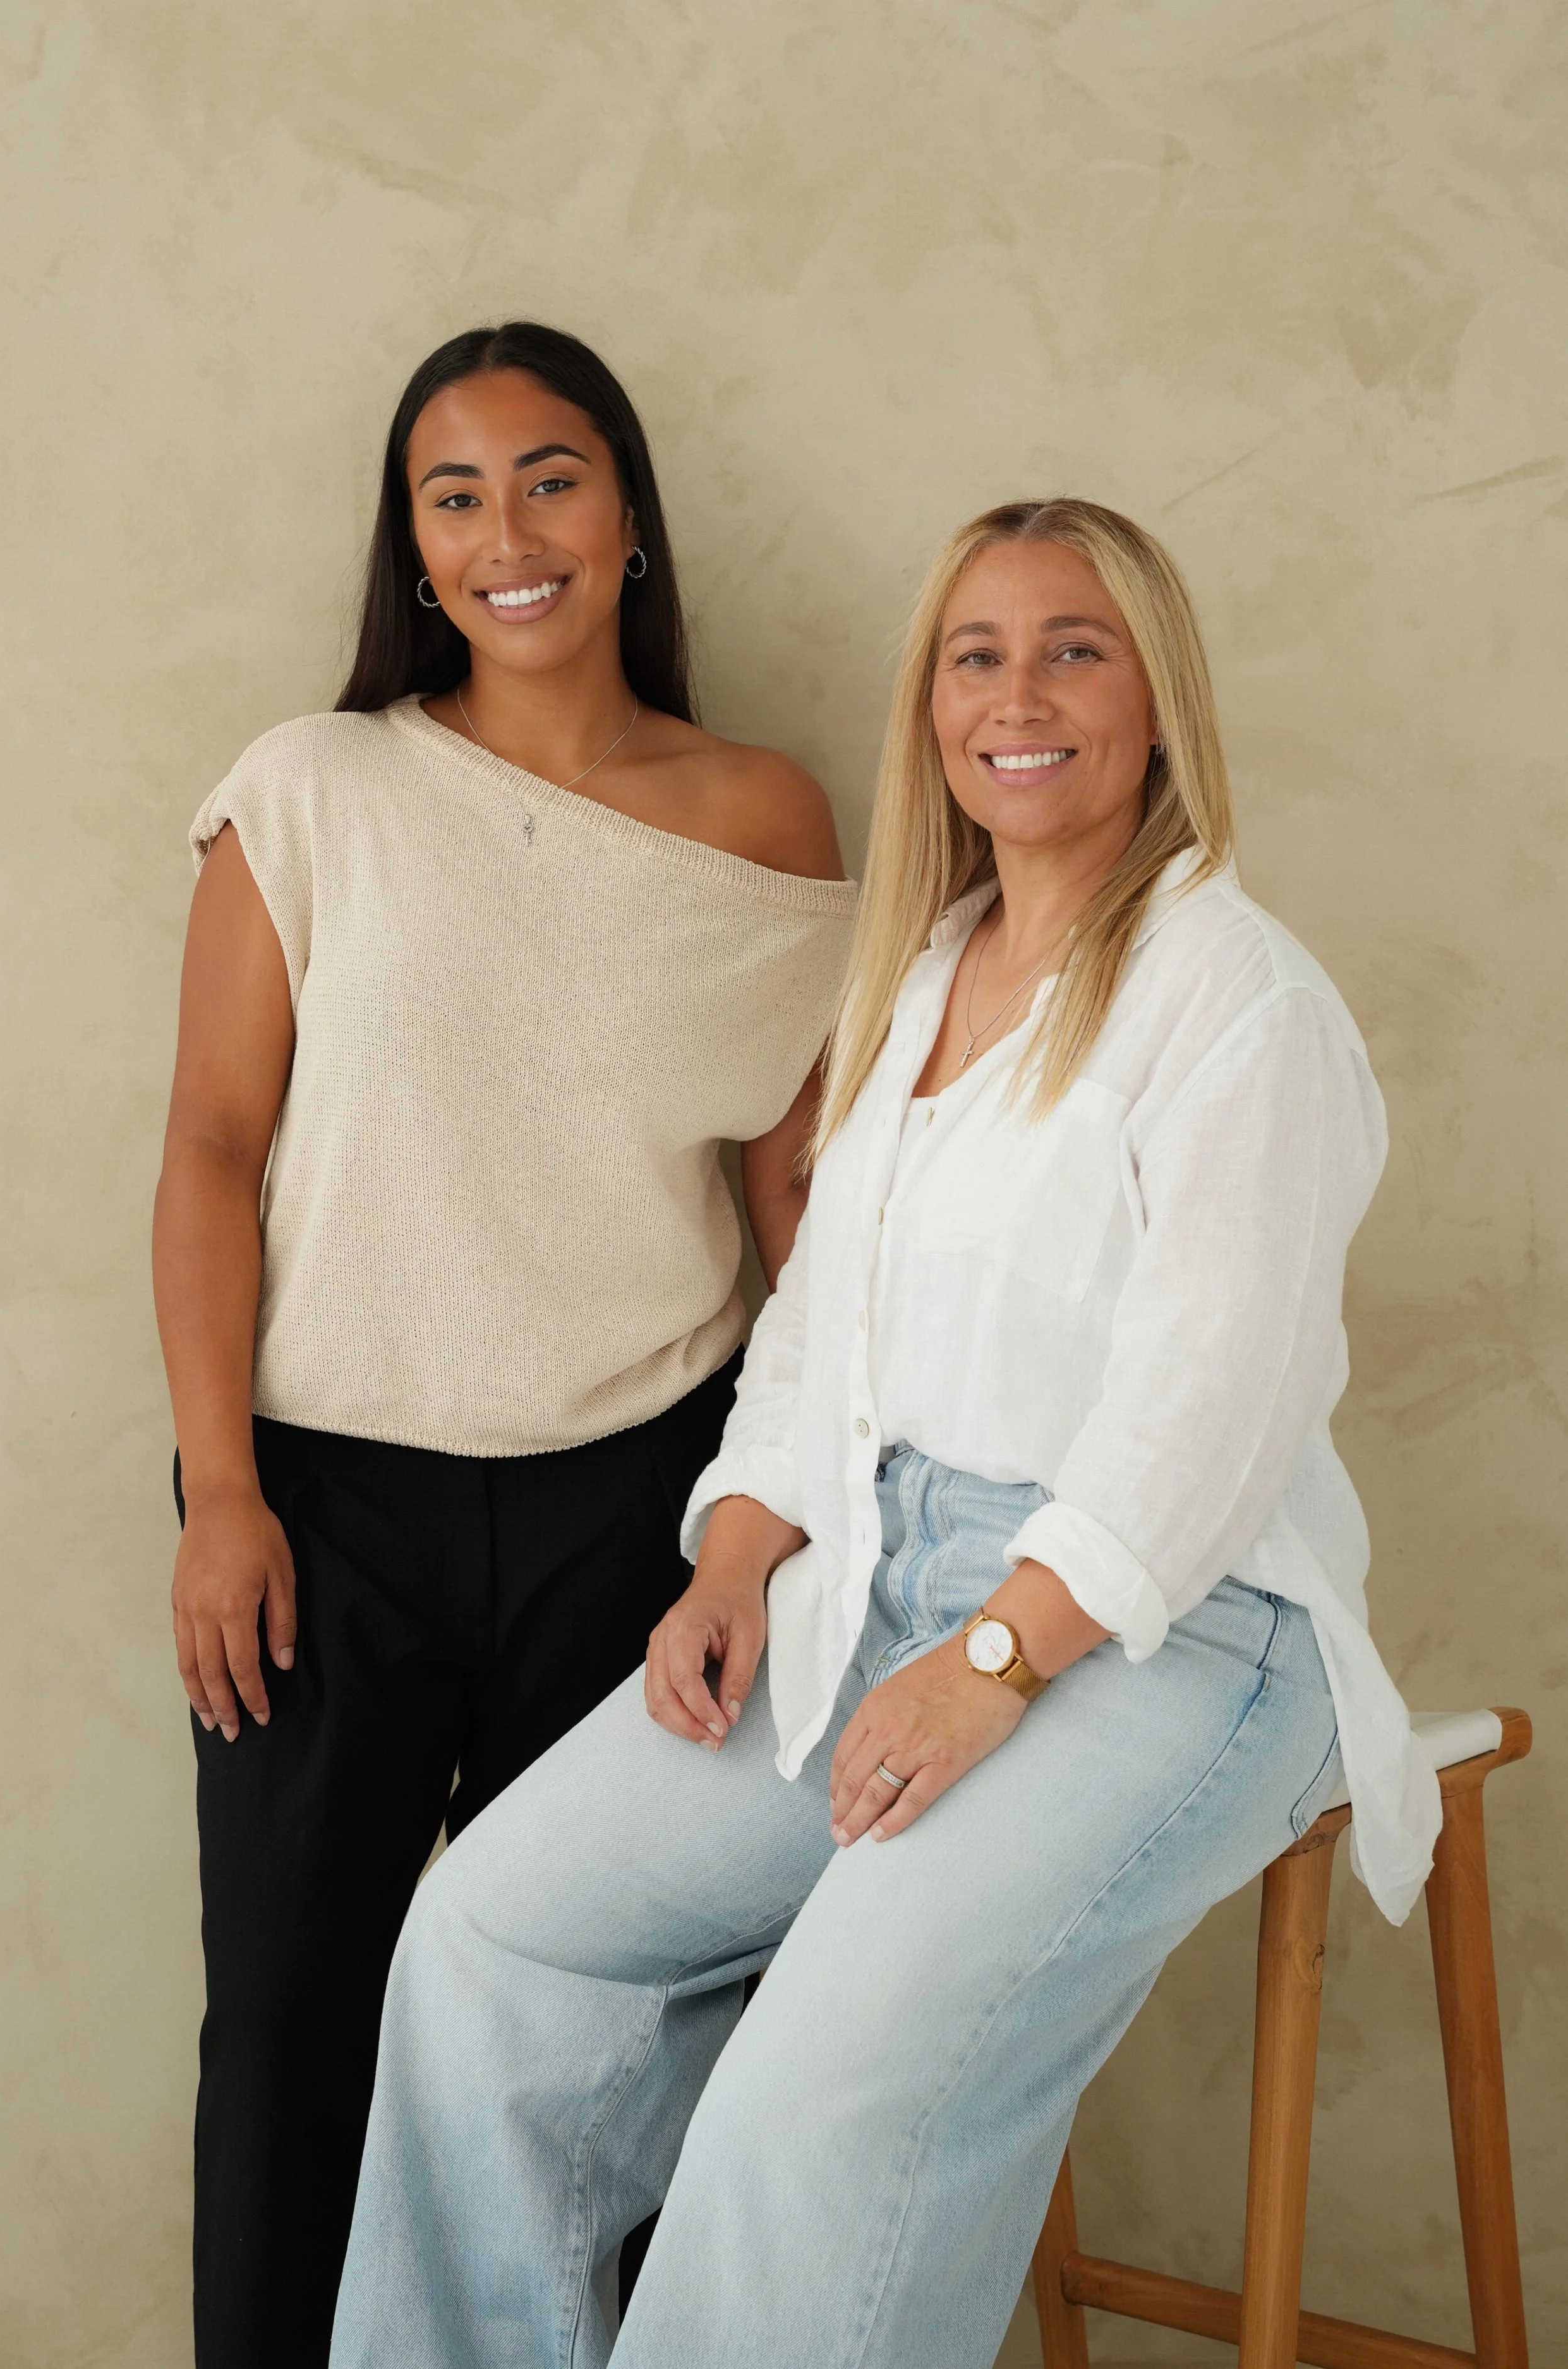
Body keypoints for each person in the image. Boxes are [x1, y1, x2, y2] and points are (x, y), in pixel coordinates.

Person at [328, 498, 1441, 2369]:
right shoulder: (925, 973)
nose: (1019, 694)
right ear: (930, 704)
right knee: (490, 1948)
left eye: (1073, 647)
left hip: (1167, 1624)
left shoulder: (1235, 998)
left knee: (808, 2102)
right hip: (869, 1576)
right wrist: (741, 1545)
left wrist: (995, 1659)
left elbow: (1209, 1403)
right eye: (973, 654)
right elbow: (824, 1320)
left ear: (1157, 698)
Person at [151, 319, 854, 2369]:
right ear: (414, 549)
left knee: (595, 2041)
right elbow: (208, 1147)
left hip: (642, 1497)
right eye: (450, 496)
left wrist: (789, 1524)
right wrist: (218, 1491)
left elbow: (797, 1204)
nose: (505, 532)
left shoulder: (762, 810)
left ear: (627, 512)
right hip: (319, 1503)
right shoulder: (313, 788)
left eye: (549, 476)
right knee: (291, 2017)